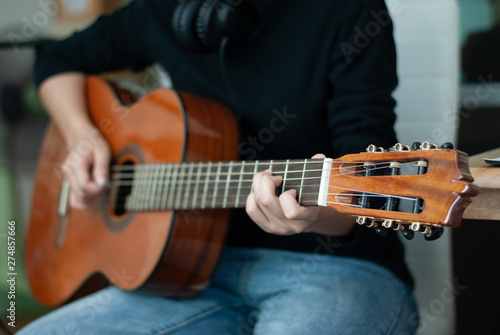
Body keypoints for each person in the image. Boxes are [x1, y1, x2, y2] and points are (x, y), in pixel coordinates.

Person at [19, 0, 419, 333]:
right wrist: (81, 135)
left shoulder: (350, 10)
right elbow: (57, 60)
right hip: (187, 274)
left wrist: (315, 214)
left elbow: (370, 181)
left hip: (339, 268)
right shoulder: (167, 10)